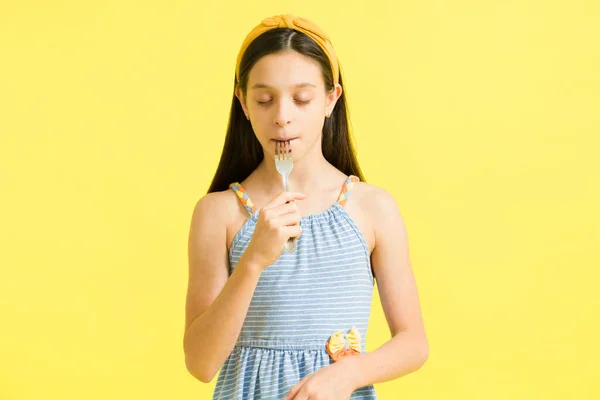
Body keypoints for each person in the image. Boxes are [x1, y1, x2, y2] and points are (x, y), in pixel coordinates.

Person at [183, 14, 429, 400]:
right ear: (243, 103)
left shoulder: (373, 209)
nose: (282, 116)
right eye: (264, 99)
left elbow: (414, 342)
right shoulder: (218, 214)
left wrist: (348, 375)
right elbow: (200, 363)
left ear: (331, 99)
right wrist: (252, 262)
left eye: (302, 99)